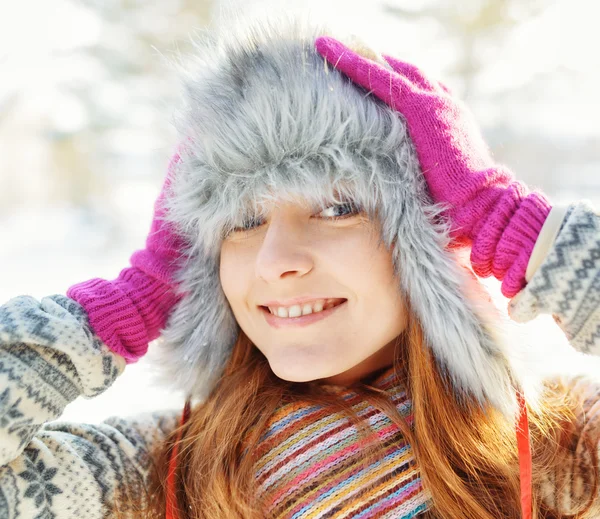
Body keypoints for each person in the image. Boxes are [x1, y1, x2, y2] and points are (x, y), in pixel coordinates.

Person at [1, 15, 599, 519]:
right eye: (242, 222)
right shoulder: (163, 470)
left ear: (427, 243)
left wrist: (508, 221)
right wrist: (129, 303)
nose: (275, 261)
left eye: (338, 207)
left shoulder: (556, 446)